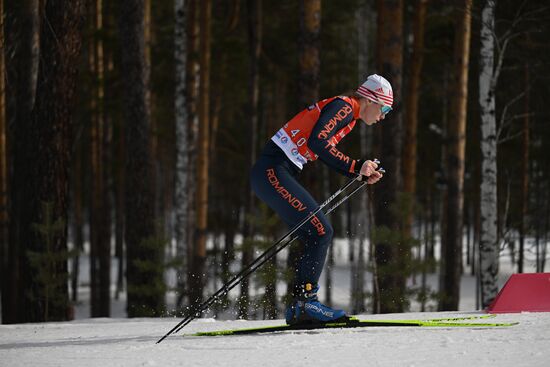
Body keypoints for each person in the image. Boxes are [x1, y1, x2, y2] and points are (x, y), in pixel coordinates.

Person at [250, 74, 393, 325]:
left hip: (274, 171)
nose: (383, 116)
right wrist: (356, 165)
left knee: (313, 232)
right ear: (371, 99)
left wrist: (357, 170)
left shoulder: (348, 113)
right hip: (274, 170)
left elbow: (321, 146)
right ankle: (306, 303)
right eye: (385, 109)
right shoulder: (346, 106)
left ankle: (299, 306)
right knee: (321, 231)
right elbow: (318, 142)